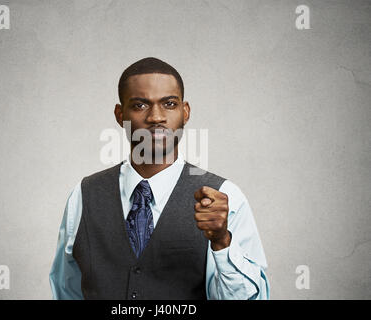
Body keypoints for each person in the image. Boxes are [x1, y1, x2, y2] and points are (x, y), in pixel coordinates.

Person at [49, 57, 269, 300]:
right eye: (140, 105)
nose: (156, 117)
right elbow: (66, 292)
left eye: (169, 104)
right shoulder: (84, 195)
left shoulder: (225, 197)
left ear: (185, 112)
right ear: (120, 114)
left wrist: (222, 241)